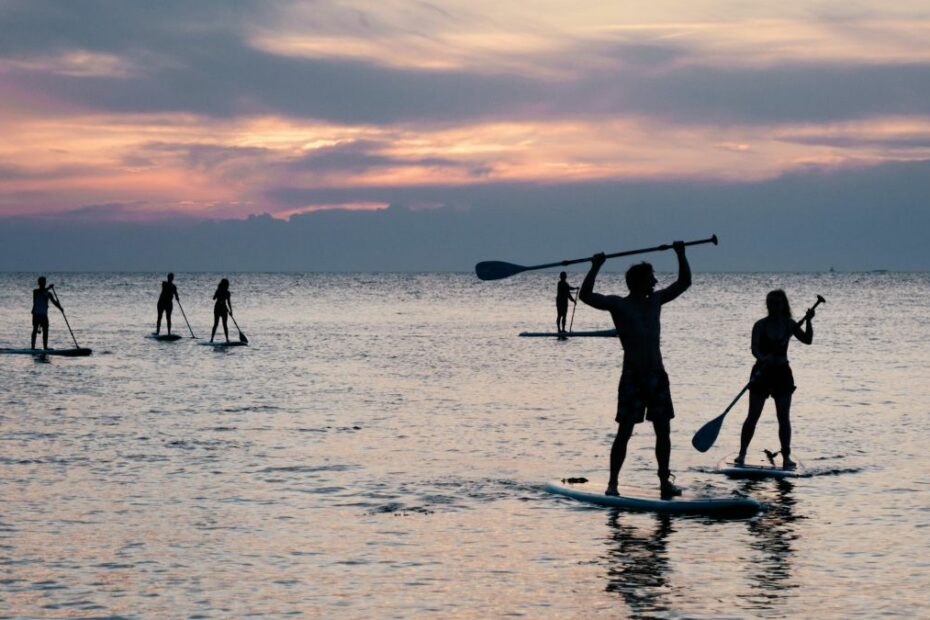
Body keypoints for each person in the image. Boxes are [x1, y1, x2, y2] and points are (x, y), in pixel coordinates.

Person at [579, 241, 690, 498]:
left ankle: (664, 483)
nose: (655, 282)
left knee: (663, 430)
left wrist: (681, 254)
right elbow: (586, 296)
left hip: (657, 375)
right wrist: (595, 267)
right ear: (640, 282)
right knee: (624, 431)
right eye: (651, 278)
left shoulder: (656, 301)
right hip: (633, 377)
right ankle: (613, 484)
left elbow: (684, 283)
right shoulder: (620, 305)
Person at [735, 290, 814, 469]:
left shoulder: (790, 325)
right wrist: (763, 358)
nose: (773, 307)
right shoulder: (760, 326)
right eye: (770, 304)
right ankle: (741, 454)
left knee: (783, 417)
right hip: (762, 373)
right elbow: (754, 348)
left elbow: (808, 340)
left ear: (783, 305)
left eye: (776, 304)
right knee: (753, 415)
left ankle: (786, 457)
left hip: (782, 374)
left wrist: (809, 321)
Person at [31, 276, 62, 349]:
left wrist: (60, 308)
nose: (43, 283)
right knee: (35, 330)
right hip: (36, 314)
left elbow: (54, 302)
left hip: (44, 315)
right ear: (39, 283)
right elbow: (41, 292)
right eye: (41, 282)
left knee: (46, 330)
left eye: (44, 282)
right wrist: (49, 287)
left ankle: (45, 347)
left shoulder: (48, 293)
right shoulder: (35, 291)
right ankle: (33, 347)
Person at [210, 278, 233, 343]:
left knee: (225, 324)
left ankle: (227, 339)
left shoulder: (228, 293)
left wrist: (231, 311)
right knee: (216, 324)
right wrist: (217, 294)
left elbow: (229, 302)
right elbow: (213, 298)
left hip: (224, 309)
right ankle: (211, 339)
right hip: (217, 308)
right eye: (227, 285)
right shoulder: (219, 291)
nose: (228, 286)